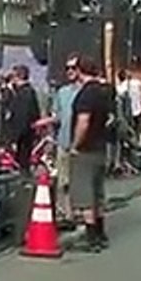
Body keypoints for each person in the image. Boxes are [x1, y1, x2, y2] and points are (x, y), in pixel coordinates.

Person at [68, 56, 113, 251]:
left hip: (86, 149)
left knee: (85, 194)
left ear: (79, 71)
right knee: (98, 192)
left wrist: (75, 145)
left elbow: (83, 122)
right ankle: (101, 233)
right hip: (101, 147)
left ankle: (92, 237)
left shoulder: (85, 95)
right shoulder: (105, 91)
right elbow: (111, 117)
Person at [50, 63, 83, 220]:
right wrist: (44, 122)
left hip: (83, 144)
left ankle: (80, 211)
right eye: (67, 68)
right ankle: (67, 213)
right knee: (64, 181)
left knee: (80, 180)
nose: (70, 71)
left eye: (73, 68)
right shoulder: (62, 92)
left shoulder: (86, 92)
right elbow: (57, 116)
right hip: (64, 142)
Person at [6, 65, 40, 175]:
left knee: (22, 164)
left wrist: (15, 138)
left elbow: (22, 117)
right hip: (26, 134)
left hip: (23, 137)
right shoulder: (28, 92)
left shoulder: (24, 93)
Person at [116, 68, 141, 134]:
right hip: (138, 110)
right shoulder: (137, 83)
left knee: (130, 132)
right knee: (138, 130)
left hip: (127, 113)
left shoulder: (120, 88)